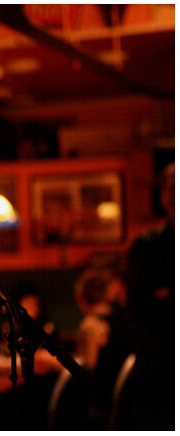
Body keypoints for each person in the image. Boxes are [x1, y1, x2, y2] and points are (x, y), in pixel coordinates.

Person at [118, 162, 174, 430]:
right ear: (163, 196)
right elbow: (137, 309)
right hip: (158, 370)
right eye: (171, 188)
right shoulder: (147, 245)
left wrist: (166, 295)